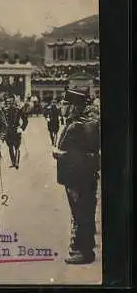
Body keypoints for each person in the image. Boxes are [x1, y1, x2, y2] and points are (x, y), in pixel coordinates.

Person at [53, 85, 100, 264]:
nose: (63, 107)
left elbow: (77, 154)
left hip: (77, 178)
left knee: (80, 213)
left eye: (66, 104)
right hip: (83, 176)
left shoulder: (77, 127)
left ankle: (83, 251)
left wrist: (59, 154)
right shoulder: (84, 123)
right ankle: (83, 247)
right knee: (83, 212)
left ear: (74, 106)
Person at [2, 93, 28, 169]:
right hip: (8, 131)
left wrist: (22, 128)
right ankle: (13, 162)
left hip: (16, 130)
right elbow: (2, 121)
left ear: (13, 101)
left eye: (11, 101)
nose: (9, 102)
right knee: (10, 147)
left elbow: (25, 120)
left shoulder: (18, 110)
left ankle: (16, 162)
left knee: (17, 147)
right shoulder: (4, 111)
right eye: (7, 101)